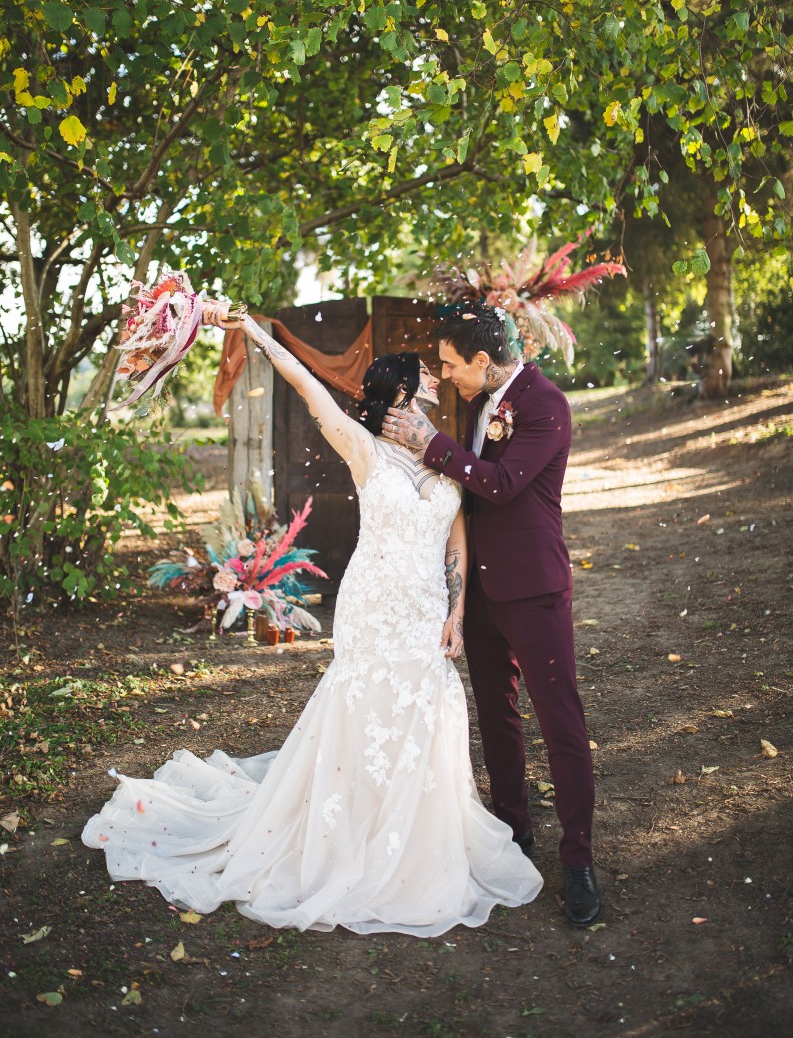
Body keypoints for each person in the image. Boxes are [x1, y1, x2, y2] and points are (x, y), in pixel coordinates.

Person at [82, 306, 542, 936]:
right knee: (366, 708)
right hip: (374, 604)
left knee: (425, 709)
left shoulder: (443, 455)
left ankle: (416, 839)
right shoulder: (363, 450)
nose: (438, 380)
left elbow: (456, 536)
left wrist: (456, 612)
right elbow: (308, 385)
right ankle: (345, 836)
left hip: (425, 606)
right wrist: (252, 331)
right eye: (425, 377)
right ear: (402, 390)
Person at [381, 301, 600, 926]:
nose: (445, 375)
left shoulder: (545, 405)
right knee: (496, 716)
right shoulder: (481, 403)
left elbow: (500, 484)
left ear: (483, 360)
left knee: (561, 723)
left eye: (452, 364)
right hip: (480, 593)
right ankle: (512, 832)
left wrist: (431, 445)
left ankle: (578, 861)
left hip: (533, 590)